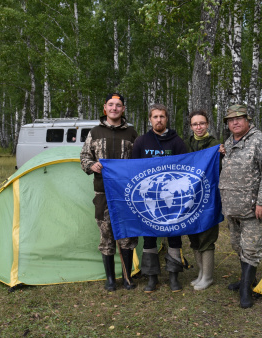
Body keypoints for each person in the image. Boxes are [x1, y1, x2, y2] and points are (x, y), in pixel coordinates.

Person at [219, 104, 262, 308]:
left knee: (251, 248)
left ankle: (247, 290)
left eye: (239, 118)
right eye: (231, 119)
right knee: (238, 246)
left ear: (248, 120)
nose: (235, 122)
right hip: (233, 208)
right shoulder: (228, 143)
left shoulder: (260, 141)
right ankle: (248, 280)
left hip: (253, 209)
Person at [80, 93, 138, 292]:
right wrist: (91, 165)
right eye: (111, 105)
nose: (114, 108)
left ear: (123, 109)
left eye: (118, 105)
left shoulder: (131, 134)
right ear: (105, 108)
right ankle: (110, 279)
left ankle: (127, 278)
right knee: (106, 236)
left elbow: (139, 162)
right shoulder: (95, 132)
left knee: (127, 237)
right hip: (103, 193)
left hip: (126, 194)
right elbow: (84, 157)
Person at [132, 104, 189, 292]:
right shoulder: (141, 142)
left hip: (171, 199)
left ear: (167, 119)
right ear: (150, 120)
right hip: (149, 199)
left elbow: (186, 168)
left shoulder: (177, 142)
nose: (159, 120)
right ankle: (152, 277)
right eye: (155, 117)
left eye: (162, 117)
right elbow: (132, 169)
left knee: (174, 237)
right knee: (149, 238)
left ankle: (173, 275)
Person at [185, 110, 221, 291]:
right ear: (191, 126)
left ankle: (208, 277)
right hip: (191, 198)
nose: (198, 127)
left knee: (207, 236)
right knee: (194, 235)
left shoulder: (215, 144)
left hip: (209, 198)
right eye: (195, 124)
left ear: (207, 124)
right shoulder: (187, 144)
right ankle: (200, 273)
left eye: (202, 123)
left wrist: (220, 153)